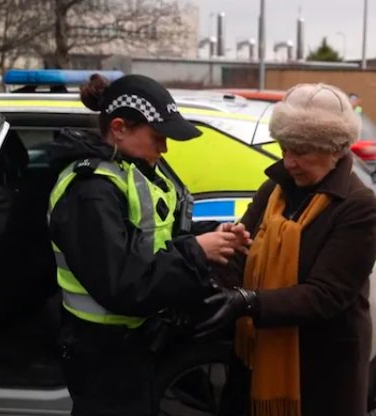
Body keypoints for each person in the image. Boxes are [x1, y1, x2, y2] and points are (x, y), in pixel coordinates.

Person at [47, 73, 250, 416]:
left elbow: (155, 238)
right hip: (102, 352)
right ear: (119, 127)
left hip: (131, 341)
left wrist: (213, 234)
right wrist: (198, 251)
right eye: (158, 137)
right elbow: (124, 283)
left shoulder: (130, 172)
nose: (165, 148)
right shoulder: (90, 192)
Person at [197, 83, 376, 416]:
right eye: (285, 147)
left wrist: (248, 302)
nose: (289, 161)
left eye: (301, 150)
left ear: (336, 148)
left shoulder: (358, 206)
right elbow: (243, 255)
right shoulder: (274, 189)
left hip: (320, 370)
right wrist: (227, 242)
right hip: (257, 357)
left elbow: (326, 295)